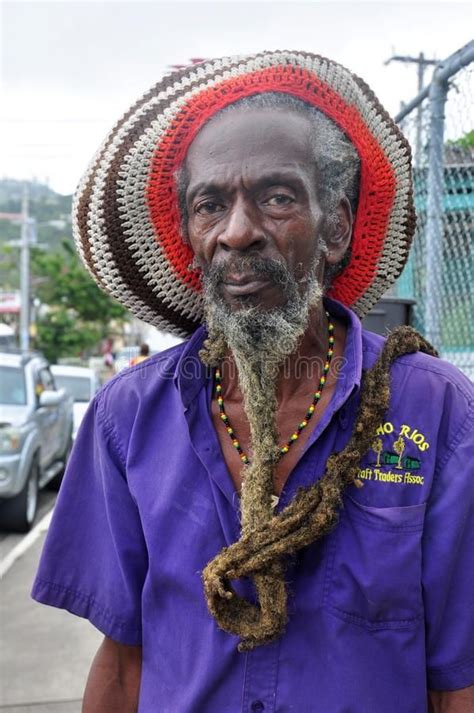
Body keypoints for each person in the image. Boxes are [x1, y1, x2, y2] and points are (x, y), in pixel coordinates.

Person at [32, 51, 474, 713]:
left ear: (336, 228)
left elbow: (455, 683)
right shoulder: (127, 419)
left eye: (276, 196)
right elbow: (125, 664)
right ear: (190, 235)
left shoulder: (438, 414)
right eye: (212, 203)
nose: (238, 232)